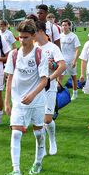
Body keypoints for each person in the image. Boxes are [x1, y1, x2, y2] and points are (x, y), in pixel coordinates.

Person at [4, 19, 48, 175]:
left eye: (26, 37)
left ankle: (38, 161)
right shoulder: (13, 55)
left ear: (34, 36)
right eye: (20, 37)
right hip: (18, 102)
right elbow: (9, 78)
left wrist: (32, 95)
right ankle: (16, 171)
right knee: (16, 133)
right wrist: (7, 102)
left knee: (38, 133)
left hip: (36, 102)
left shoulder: (40, 54)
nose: (22, 40)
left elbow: (44, 80)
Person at [35, 20, 66, 155]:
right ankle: (41, 149)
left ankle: (52, 141)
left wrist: (50, 76)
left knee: (47, 119)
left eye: (33, 32)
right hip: (35, 87)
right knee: (38, 121)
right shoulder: (32, 47)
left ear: (41, 31)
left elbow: (62, 66)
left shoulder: (53, 48)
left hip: (49, 86)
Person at [59, 18, 81, 100]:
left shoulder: (73, 36)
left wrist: (74, 60)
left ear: (69, 26)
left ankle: (75, 93)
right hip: (61, 61)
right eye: (63, 25)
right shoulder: (59, 36)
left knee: (73, 77)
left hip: (71, 61)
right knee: (60, 77)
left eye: (65, 25)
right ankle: (59, 93)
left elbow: (77, 49)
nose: (64, 27)